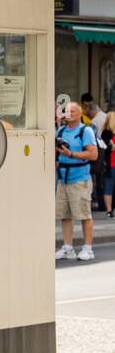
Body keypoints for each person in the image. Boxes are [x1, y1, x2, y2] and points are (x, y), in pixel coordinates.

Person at [55, 101, 98, 262]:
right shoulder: (61, 130)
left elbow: (93, 155)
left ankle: (88, 248)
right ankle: (68, 248)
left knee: (84, 214)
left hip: (79, 179)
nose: (69, 114)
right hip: (63, 178)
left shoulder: (85, 131)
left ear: (80, 114)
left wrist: (71, 154)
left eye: (73, 111)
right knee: (64, 215)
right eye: (67, 111)